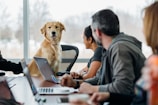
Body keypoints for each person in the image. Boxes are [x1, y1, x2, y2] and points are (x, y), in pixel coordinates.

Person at [70, 1, 158, 105]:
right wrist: (76, 84)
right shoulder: (109, 49)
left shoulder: (120, 49)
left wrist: (94, 89)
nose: (143, 31)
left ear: (97, 32)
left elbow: (122, 87)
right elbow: (100, 78)